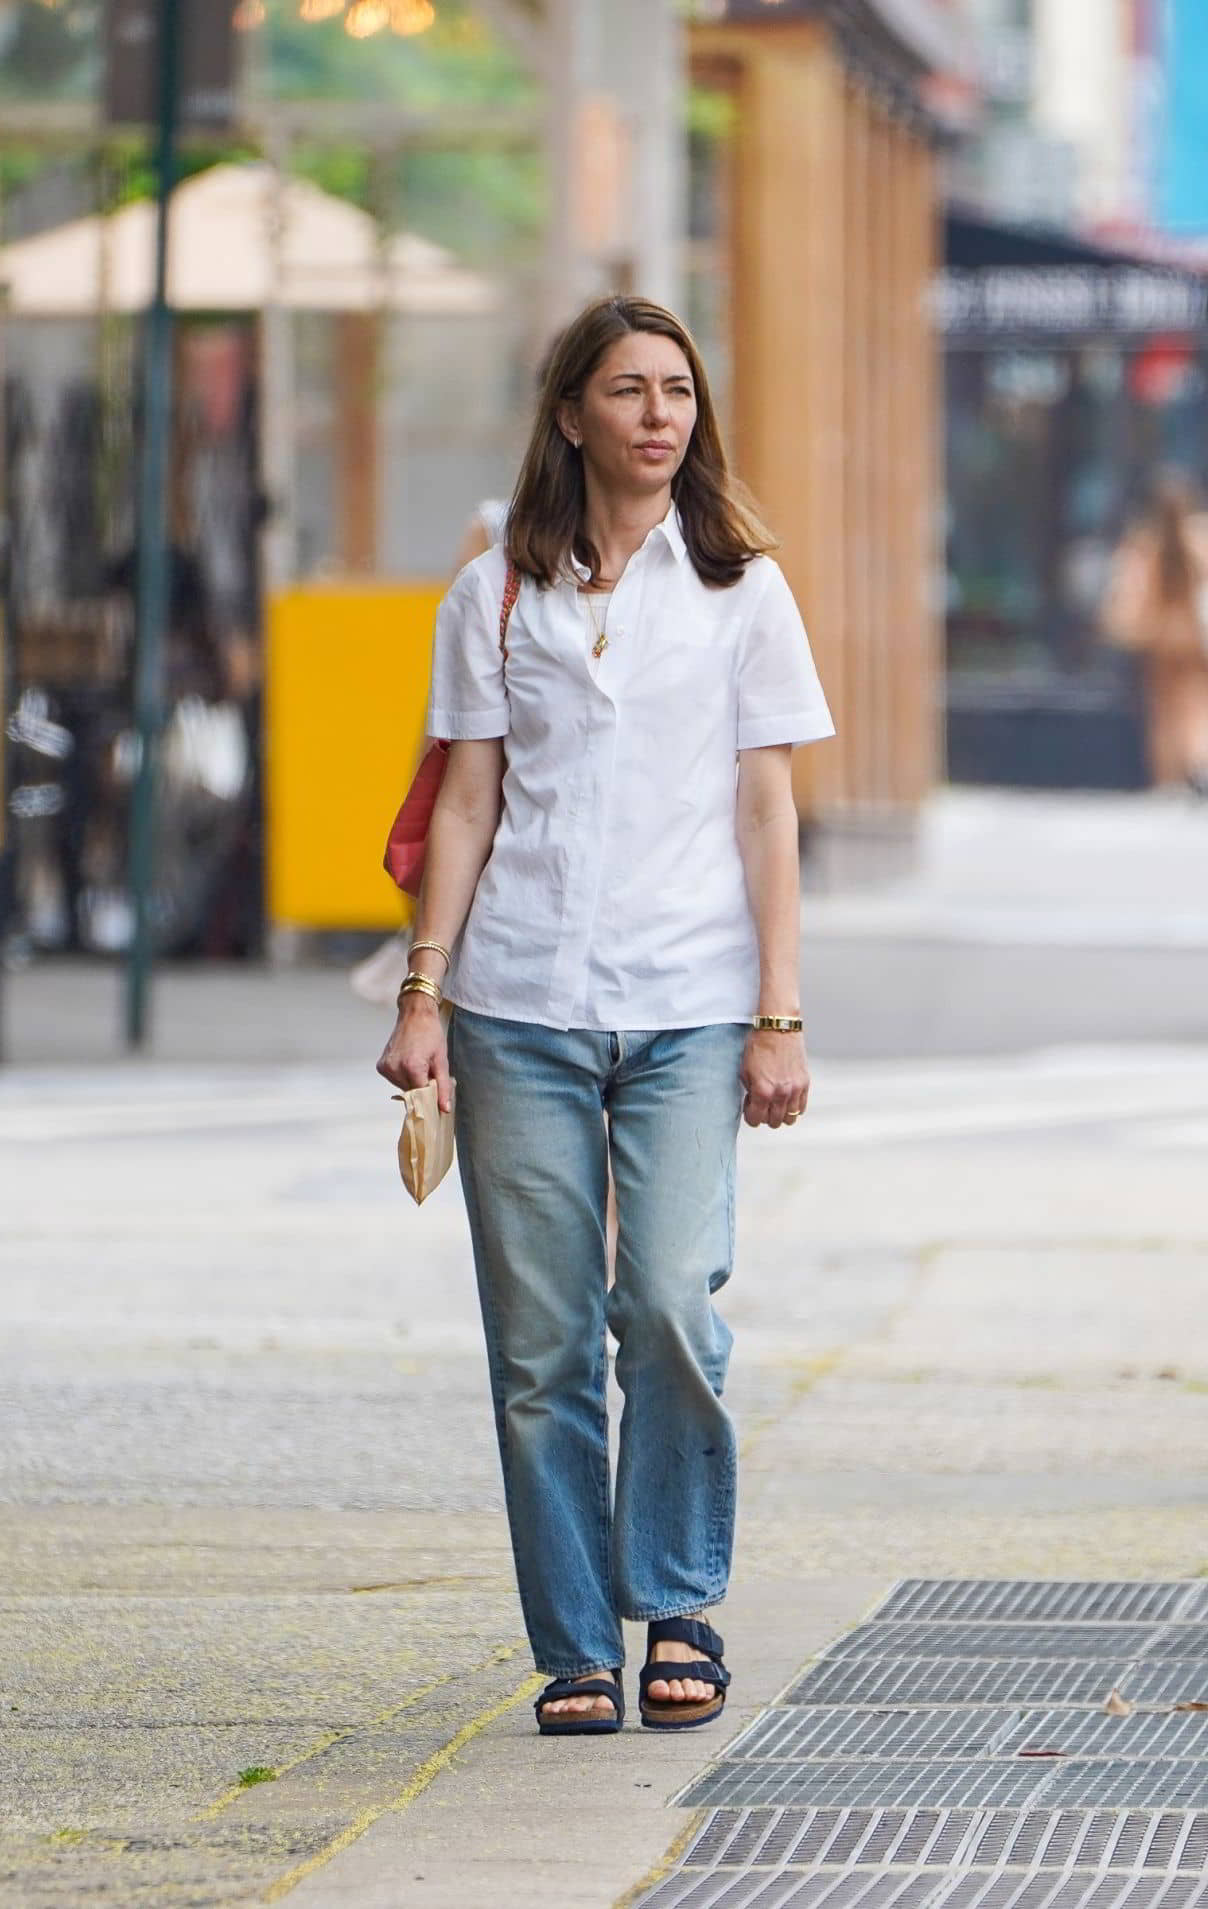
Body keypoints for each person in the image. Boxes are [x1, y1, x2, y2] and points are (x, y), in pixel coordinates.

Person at [376, 294, 833, 1735]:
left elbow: (769, 808)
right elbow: (465, 797)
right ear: (570, 412)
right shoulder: (493, 595)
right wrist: (424, 991)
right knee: (541, 1345)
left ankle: (680, 1598)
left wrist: (782, 1011)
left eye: (679, 392)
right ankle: (576, 1642)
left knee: (669, 1304)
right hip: (515, 1000)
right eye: (628, 389)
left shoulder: (741, 587)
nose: (657, 415)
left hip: (694, 1002)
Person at [1102, 470, 1208, 792]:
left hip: (1160, 635)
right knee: (1195, 703)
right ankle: (1196, 763)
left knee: (1165, 708)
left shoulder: (1146, 541)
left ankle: (1172, 775)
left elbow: (1127, 589)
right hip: (1192, 636)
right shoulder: (1199, 537)